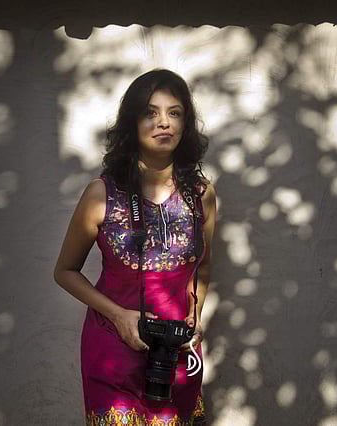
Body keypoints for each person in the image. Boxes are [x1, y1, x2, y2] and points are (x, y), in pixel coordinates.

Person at [54, 69, 216, 426]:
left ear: (186, 124)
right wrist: (117, 315)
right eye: (150, 112)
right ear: (132, 123)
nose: (164, 122)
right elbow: (64, 271)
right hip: (112, 346)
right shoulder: (101, 194)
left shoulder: (202, 194)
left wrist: (195, 316)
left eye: (174, 113)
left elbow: (203, 268)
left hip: (175, 351)